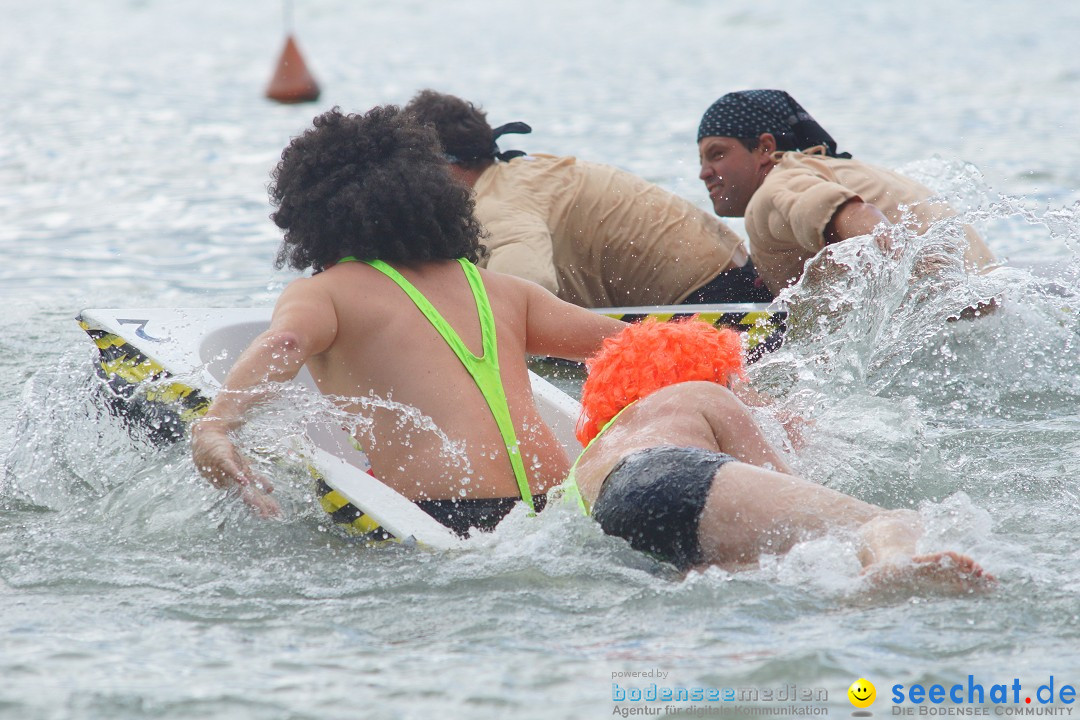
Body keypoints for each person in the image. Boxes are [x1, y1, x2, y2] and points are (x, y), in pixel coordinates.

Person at [191, 105, 625, 533]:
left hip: (445, 510)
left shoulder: (325, 293)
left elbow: (283, 345)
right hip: (555, 506)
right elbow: (636, 343)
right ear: (436, 198)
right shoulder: (502, 289)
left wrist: (216, 425)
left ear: (307, 213)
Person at [560, 318, 993, 591]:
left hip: (618, 511)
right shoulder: (701, 392)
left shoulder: (595, 453)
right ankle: (895, 564)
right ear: (711, 370)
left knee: (731, 567)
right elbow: (781, 480)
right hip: (672, 472)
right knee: (883, 522)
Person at [404, 89, 774, 308]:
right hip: (741, 280)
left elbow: (525, 289)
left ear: (441, 165)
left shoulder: (497, 202)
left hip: (712, 302)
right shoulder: (522, 172)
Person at [696, 89, 998, 296]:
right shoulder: (836, 169)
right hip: (990, 290)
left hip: (952, 308)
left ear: (765, 148)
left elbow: (857, 215)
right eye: (702, 160)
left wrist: (922, 281)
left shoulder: (775, 189)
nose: (704, 172)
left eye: (717, 154)